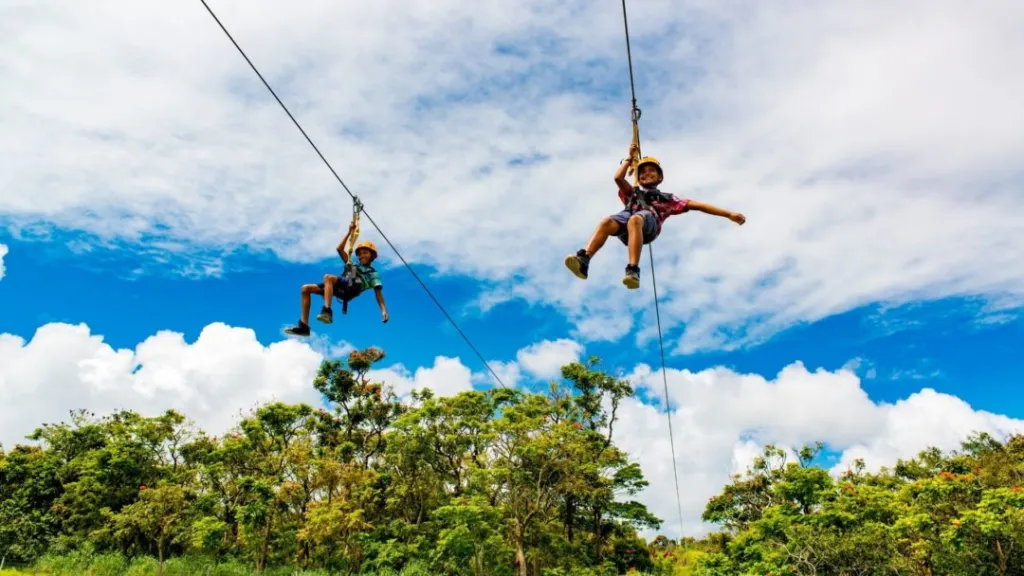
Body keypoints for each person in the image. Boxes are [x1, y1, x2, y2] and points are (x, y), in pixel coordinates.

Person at [564, 142, 746, 289]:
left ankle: (633, 270)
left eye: (651, 171)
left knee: (636, 219)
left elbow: (699, 205)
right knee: (607, 221)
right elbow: (618, 179)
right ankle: (584, 260)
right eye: (642, 172)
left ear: (660, 178)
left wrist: (729, 214)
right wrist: (629, 159)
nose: (646, 174)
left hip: (647, 227)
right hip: (627, 222)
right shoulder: (632, 193)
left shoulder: (667, 198)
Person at [284, 221, 389, 337]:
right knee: (305, 289)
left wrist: (383, 311)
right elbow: (339, 249)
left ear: (372, 255)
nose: (362, 256)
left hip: (352, 289)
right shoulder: (353, 265)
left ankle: (327, 311)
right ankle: (304, 326)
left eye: (365, 253)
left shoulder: (372, 273)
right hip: (342, 287)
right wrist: (349, 232)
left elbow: (378, 294)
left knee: (328, 277)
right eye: (359, 254)